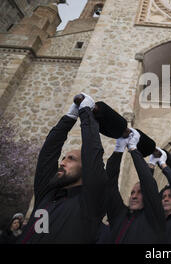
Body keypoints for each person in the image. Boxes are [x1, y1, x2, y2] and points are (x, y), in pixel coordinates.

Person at [17, 93, 107, 243]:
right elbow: (48, 154)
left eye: (71, 159)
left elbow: (93, 153)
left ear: (86, 169)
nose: (62, 162)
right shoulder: (47, 194)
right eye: (63, 158)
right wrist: (69, 117)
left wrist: (86, 112)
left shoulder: (91, 202)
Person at [105, 129, 165, 244]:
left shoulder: (154, 218)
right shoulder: (119, 215)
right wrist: (119, 148)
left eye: (139, 192)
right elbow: (110, 184)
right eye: (132, 192)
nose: (134, 196)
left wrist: (133, 149)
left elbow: (148, 184)